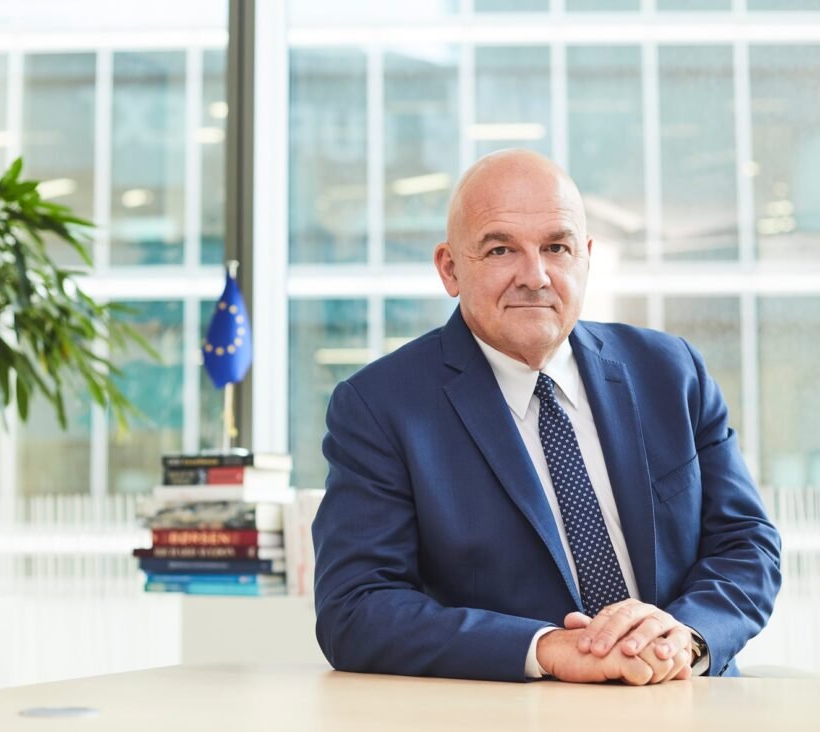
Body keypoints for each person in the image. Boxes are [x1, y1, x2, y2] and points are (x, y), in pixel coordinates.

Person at [311, 149, 781, 684]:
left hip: (682, 695)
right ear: (450, 268)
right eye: (501, 249)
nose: (534, 276)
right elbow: (356, 607)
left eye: (556, 247)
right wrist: (546, 648)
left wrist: (686, 634)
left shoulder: (671, 371)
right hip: (512, 710)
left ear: (586, 257)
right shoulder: (379, 406)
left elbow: (747, 544)